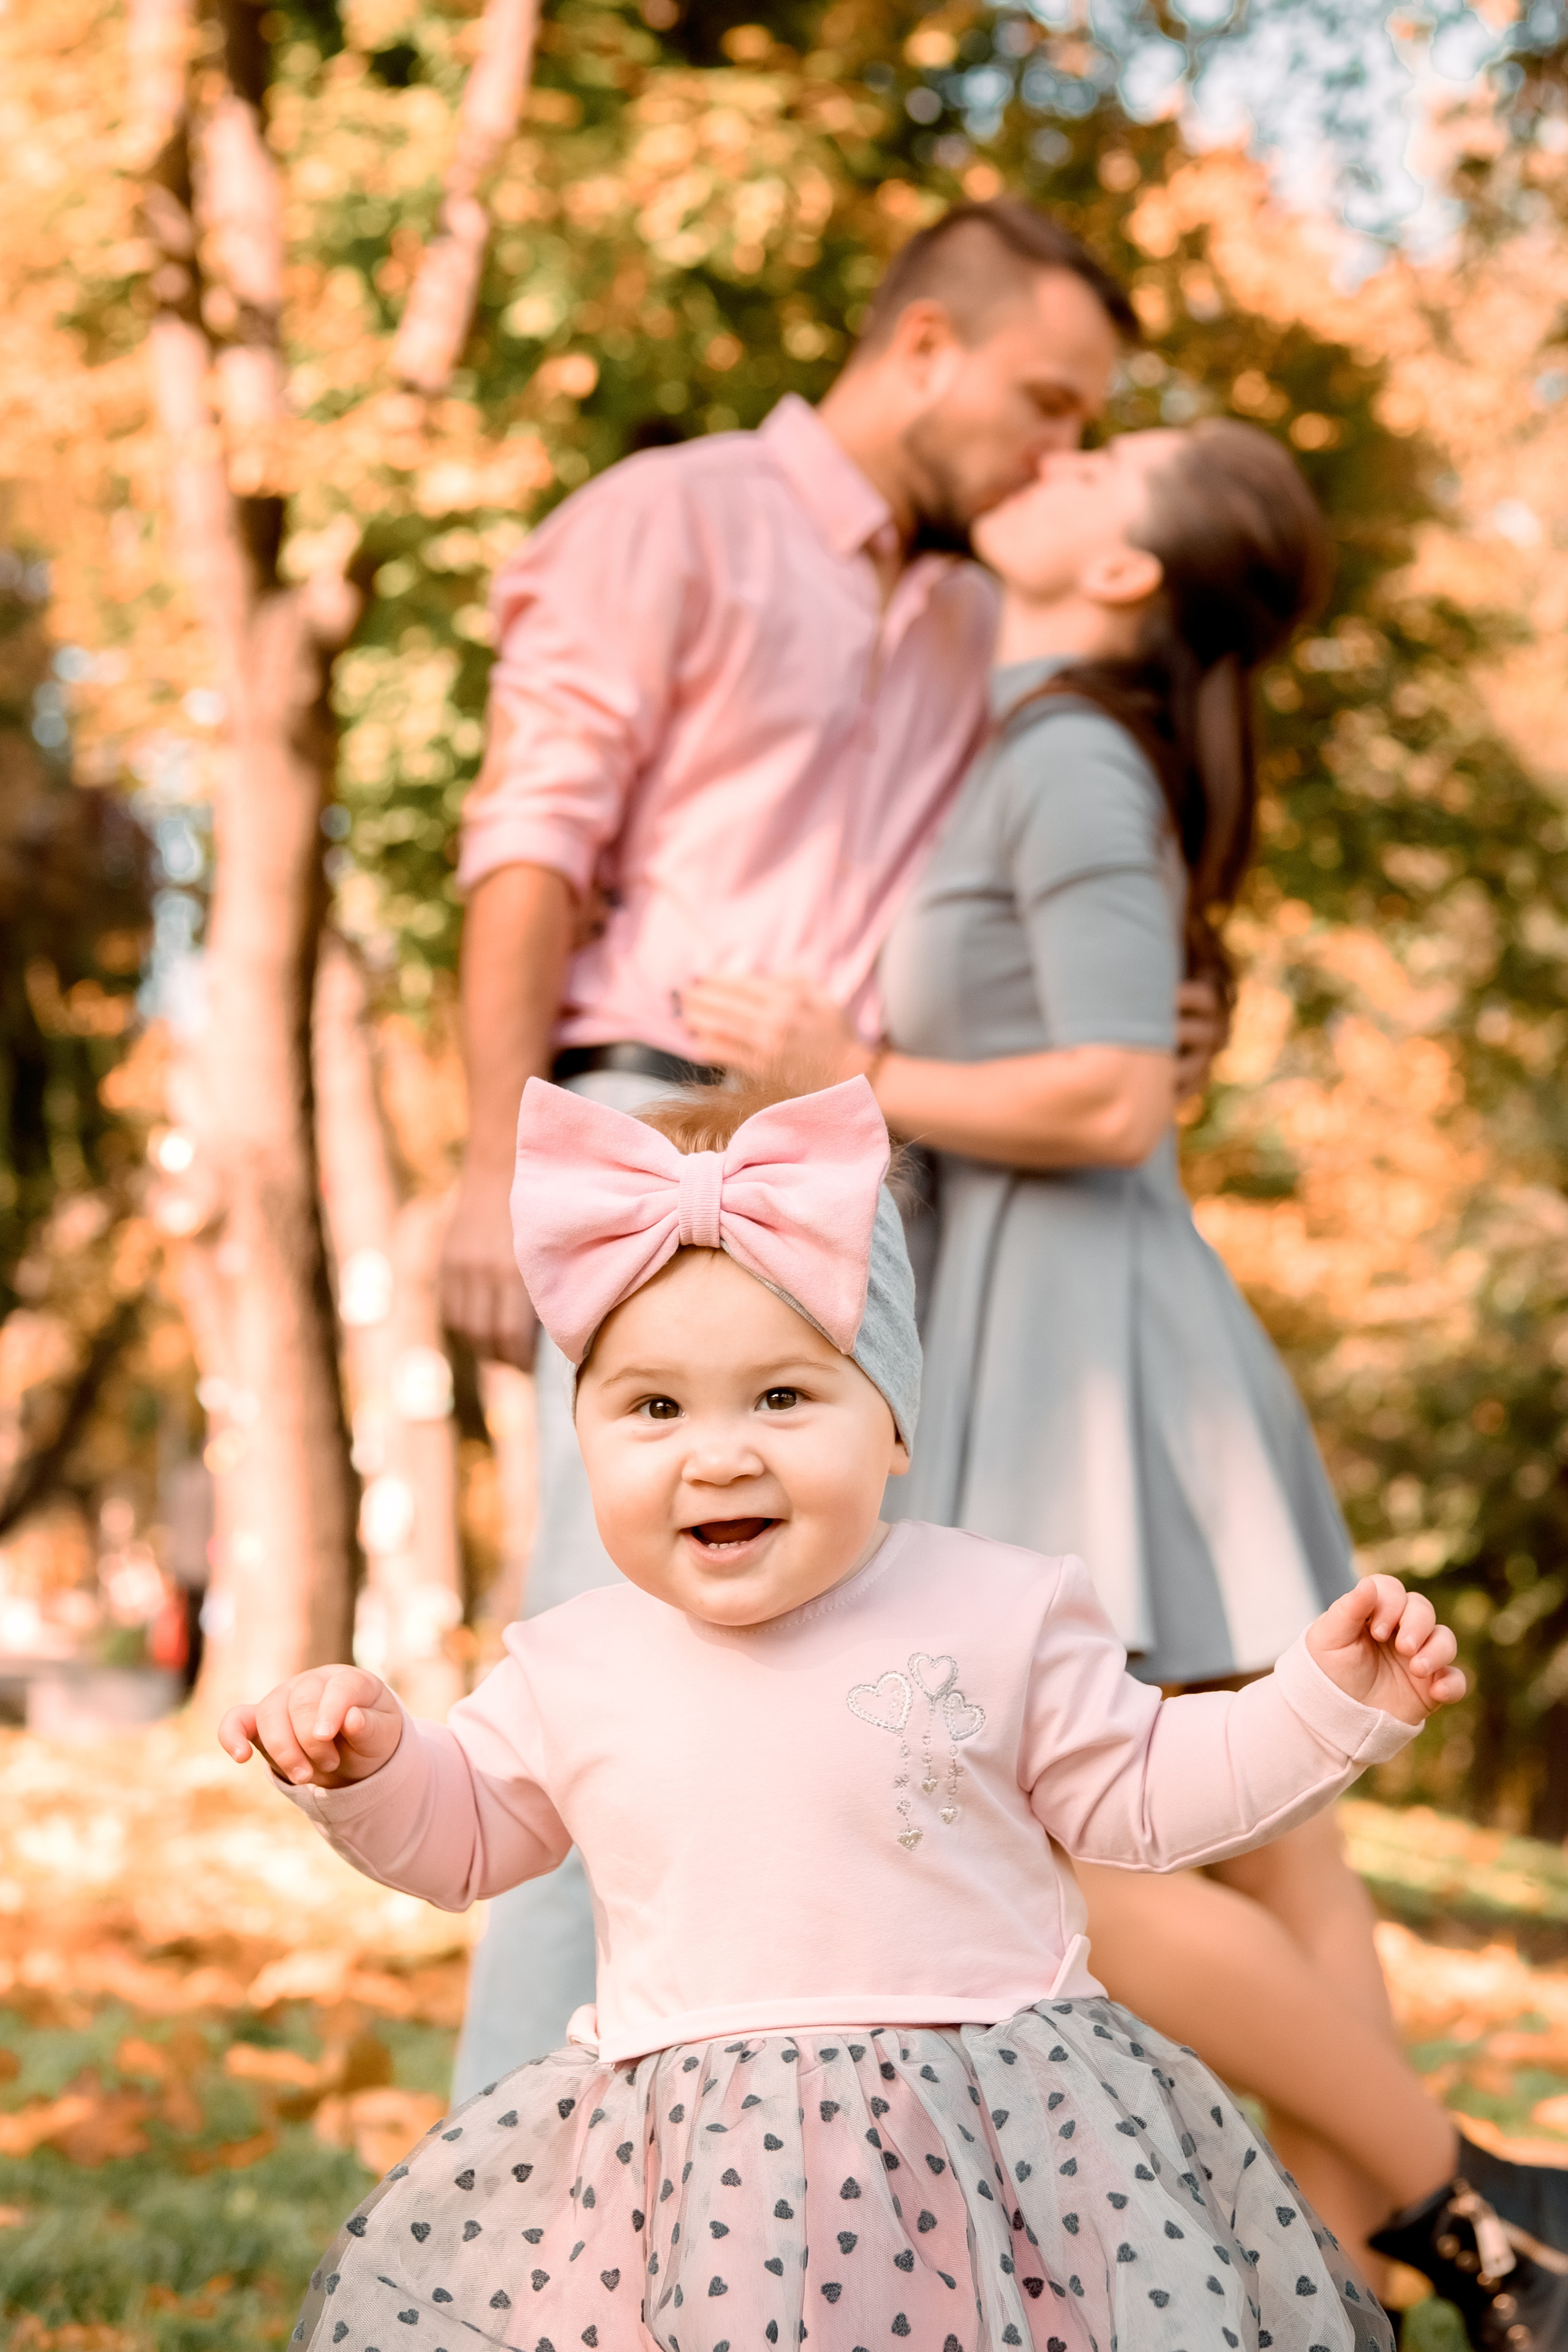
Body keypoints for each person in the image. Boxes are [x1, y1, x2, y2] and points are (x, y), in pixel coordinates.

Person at [679, 423, 1568, 2341]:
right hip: (1074, 1323)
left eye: (1110, 461)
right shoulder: (1046, 745)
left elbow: (1110, 1095)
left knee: (1043, 1831)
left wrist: (849, 1070)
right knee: (1271, 1835)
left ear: (1129, 571)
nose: (1063, 457)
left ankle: (1455, 2212)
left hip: (1091, 1342)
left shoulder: (1074, 756)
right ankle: (1368, 2290)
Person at [224, 1073, 1490, 2352]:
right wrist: (372, 1763)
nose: (719, 1454)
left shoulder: (997, 1609)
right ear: (586, 1437)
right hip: (705, 2183)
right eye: (654, 1408)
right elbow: (465, 1837)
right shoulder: (573, 1663)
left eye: (782, 1398)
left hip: (994, 2155)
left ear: (891, 1422)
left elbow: (1150, 1790)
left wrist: (1322, 1702)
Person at [437, 197, 1224, 2095]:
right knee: (618, 1673)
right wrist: (483, 1160)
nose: (1059, 450)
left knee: (854, 1702)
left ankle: (787, 2175)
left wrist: (1168, 1006)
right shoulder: (673, 519)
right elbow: (528, 842)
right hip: (660, 1135)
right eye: (1046, 402)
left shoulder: (984, 612)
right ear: (927, 349)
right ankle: (530, 2197)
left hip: (887, 1178)